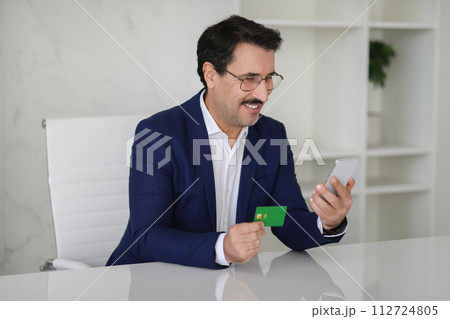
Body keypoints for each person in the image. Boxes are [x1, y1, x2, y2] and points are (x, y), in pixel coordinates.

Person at [107, 15, 354, 269]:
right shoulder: (157, 134)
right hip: (150, 283)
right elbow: (148, 237)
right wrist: (221, 248)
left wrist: (327, 222)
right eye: (249, 79)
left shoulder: (271, 135)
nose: (262, 94)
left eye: (268, 78)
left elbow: (283, 218)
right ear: (211, 75)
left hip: (227, 289)